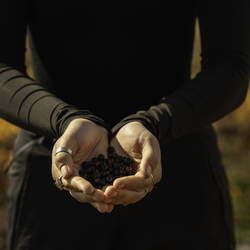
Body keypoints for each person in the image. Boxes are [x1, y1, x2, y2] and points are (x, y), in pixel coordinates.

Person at [0, 0, 250, 249]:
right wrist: (63, 120)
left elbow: (230, 66)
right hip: (56, 174)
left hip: (179, 179)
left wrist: (154, 123)